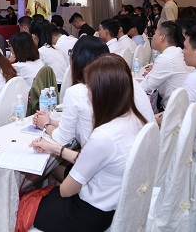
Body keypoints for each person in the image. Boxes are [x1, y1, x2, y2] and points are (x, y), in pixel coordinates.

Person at [28, 54, 147, 232]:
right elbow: (94, 159)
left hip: (87, 215)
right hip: (112, 203)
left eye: (89, 87)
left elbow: (66, 191)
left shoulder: (103, 136)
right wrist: (55, 148)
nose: (87, 92)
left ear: (100, 92)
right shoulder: (135, 119)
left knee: (24, 204)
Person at [34, 37, 154, 148]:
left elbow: (63, 139)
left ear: (77, 60)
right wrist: (51, 121)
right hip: (142, 152)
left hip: (101, 159)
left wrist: (45, 126)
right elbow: (85, 123)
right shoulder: (126, 81)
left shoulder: (78, 91)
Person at [140, 21, 190, 109]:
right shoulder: (177, 51)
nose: (153, 37)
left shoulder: (166, 58)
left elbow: (144, 87)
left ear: (162, 37)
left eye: (155, 34)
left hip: (172, 111)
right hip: (181, 107)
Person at [30, 19, 68, 85]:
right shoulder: (56, 49)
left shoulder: (41, 52)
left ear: (34, 36)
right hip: (63, 85)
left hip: (54, 87)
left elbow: (33, 75)